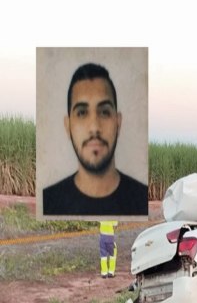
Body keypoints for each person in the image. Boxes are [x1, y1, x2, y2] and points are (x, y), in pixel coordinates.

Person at [42, 62, 148, 216]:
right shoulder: (48, 202)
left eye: (104, 112)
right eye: (82, 113)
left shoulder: (141, 200)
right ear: (68, 126)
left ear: (118, 122)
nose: (94, 127)